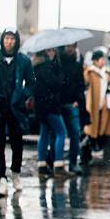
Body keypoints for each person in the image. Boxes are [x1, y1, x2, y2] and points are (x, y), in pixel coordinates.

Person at [0, 29, 35, 196]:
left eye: (12, 39)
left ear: (16, 41)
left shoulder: (23, 61)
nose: (9, 42)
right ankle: (1, 179)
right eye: (6, 38)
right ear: (2, 40)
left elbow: (31, 83)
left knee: (17, 143)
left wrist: (22, 95)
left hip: (16, 108)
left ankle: (16, 173)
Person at [33, 48, 68, 177]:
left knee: (44, 133)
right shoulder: (47, 66)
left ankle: (42, 164)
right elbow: (56, 83)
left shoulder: (37, 65)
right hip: (51, 105)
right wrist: (61, 75)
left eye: (53, 50)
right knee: (61, 132)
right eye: (49, 50)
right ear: (43, 51)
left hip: (41, 106)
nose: (51, 52)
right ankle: (58, 165)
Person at [59, 43, 86, 175]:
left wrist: (77, 100)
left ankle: (72, 162)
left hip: (72, 104)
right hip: (59, 104)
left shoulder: (77, 65)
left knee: (75, 133)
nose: (70, 49)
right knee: (60, 134)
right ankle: (57, 161)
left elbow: (81, 85)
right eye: (68, 46)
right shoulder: (58, 64)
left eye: (72, 46)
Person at [84, 50, 110, 158]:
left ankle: (99, 145)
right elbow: (86, 83)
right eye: (102, 59)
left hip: (104, 103)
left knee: (103, 124)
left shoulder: (106, 72)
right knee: (93, 125)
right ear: (96, 61)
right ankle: (94, 145)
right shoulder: (90, 72)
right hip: (94, 103)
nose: (103, 61)